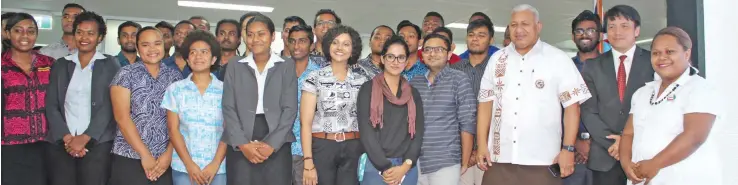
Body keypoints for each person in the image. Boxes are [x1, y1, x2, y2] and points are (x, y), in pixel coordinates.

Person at [475, 4, 591, 185]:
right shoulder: (497, 60)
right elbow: (485, 104)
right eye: (513, 25)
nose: (518, 30)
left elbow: (572, 107)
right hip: (499, 159)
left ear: (538, 26)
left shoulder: (558, 59)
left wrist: (568, 148)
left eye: (525, 24)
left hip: (543, 161)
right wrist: (482, 144)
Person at [620, 26, 723, 185]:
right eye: (656, 53)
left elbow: (694, 137)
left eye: (670, 52)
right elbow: (628, 134)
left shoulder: (700, 89)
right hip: (642, 179)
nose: (662, 57)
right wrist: (626, 164)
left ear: (687, 54)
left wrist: (654, 164)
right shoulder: (642, 93)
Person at [44, 11, 120, 185]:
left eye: (90, 33)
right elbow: (51, 104)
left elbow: (110, 105)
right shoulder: (61, 64)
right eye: (79, 32)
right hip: (62, 143)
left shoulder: (111, 64)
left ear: (100, 37)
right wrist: (66, 137)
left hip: (98, 143)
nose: (84, 37)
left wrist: (86, 138)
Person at [581, 5, 654, 185]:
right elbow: (588, 111)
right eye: (612, 26)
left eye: (624, 26)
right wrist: (615, 144)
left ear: (637, 30)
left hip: (643, 153)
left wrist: (628, 141)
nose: (617, 31)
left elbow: (657, 108)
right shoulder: (592, 66)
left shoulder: (653, 62)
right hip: (605, 156)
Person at [221, 14, 297, 185]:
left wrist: (271, 144)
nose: (255, 39)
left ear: (272, 36)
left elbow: (290, 109)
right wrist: (242, 144)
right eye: (250, 34)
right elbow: (228, 107)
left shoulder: (286, 65)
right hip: (240, 136)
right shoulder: (235, 64)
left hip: (277, 138)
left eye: (261, 34)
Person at [109, 26, 183, 185]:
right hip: (130, 156)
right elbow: (122, 118)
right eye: (145, 44)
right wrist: (145, 155)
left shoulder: (175, 77)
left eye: (157, 43)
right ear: (137, 48)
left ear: (164, 45)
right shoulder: (125, 74)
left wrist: (169, 154)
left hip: (165, 160)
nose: (152, 49)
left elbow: (180, 121)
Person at [300, 25, 367, 185]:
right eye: (335, 43)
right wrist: (308, 161)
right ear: (328, 45)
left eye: (346, 44)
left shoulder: (362, 81)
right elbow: (305, 123)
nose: (340, 48)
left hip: (353, 147)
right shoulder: (314, 77)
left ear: (353, 49)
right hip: (323, 147)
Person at [409, 33, 476, 185]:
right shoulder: (415, 82)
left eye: (438, 49)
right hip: (415, 161)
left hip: (445, 162)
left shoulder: (459, 79)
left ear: (449, 54)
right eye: (427, 49)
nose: (432, 54)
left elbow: (467, 122)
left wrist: (464, 162)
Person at [358, 35, 425, 185]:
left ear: (407, 61)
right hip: (375, 167)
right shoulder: (367, 89)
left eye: (401, 57)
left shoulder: (413, 93)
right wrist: (385, 167)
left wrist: (405, 166)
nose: (395, 62)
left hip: (406, 168)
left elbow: (418, 133)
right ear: (382, 59)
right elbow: (366, 132)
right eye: (390, 57)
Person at [162, 30, 227, 185]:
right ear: (188, 59)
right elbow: (173, 130)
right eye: (193, 52)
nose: (198, 57)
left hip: (217, 169)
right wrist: (189, 165)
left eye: (204, 52)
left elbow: (229, 130)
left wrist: (215, 165)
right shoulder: (175, 89)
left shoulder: (226, 90)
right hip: (184, 168)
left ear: (214, 59)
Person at [1, 12, 55, 185]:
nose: (25, 36)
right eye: (18, 30)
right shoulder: (2, 65)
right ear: (8, 34)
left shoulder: (50, 63)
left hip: (46, 142)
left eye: (30, 31)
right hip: (9, 145)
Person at [450, 19, 496, 185]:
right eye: (471, 35)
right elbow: (449, 112)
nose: (475, 39)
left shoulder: (497, 70)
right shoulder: (453, 70)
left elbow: (501, 111)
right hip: (458, 154)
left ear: (491, 40)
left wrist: (480, 148)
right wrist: (466, 153)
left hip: (489, 153)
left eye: (481, 35)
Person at [565, 10, 602, 185]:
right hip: (571, 154)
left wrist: (595, 143)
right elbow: (554, 109)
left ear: (600, 35)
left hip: (605, 153)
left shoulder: (612, 68)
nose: (585, 35)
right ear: (573, 37)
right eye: (579, 31)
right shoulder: (564, 68)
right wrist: (575, 142)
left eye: (590, 30)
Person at [287, 24, 323, 185]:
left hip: (308, 153)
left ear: (312, 44)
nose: (296, 46)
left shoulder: (320, 75)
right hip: (280, 151)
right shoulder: (277, 72)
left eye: (302, 41)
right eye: (292, 41)